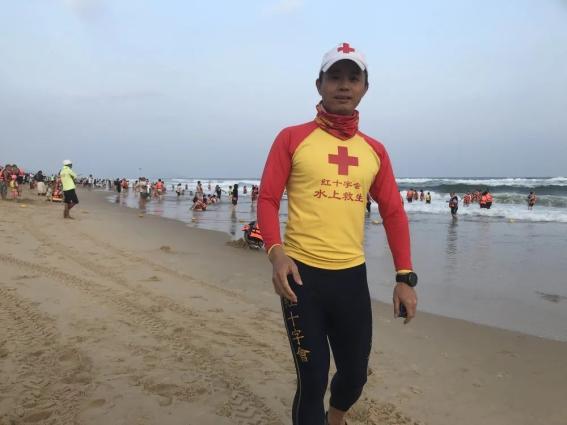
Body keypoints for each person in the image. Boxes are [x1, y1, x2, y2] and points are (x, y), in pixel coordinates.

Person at [257, 43, 417, 425]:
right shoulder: (292, 138)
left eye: (353, 78)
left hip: (350, 279)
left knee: (355, 375)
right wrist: (276, 253)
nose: (343, 85)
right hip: (301, 278)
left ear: (365, 88)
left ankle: (336, 417)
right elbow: (267, 199)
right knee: (312, 378)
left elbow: (393, 212)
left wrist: (404, 277)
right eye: (335, 77)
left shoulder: (374, 151)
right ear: (319, 84)